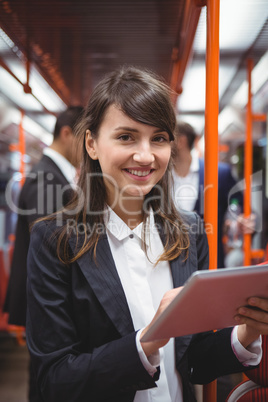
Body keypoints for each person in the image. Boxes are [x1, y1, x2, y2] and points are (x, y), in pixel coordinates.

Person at [26, 66, 268, 402]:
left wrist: (247, 331)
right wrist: (147, 342)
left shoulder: (189, 232)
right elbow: (55, 380)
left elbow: (191, 360)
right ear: (92, 144)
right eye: (126, 137)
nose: (145, 155)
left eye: (159, 138)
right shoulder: (55, 240)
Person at [4, 105, 83, 401]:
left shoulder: (53, 175)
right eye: (85, 136)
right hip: (46, 301)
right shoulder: (46, 179)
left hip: (46, 301)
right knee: (46, 380)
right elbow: (52, 249)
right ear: (66, 133)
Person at [171, 121, 255, 268]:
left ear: (181, 141)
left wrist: (246, 222)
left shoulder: (220, 174)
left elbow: (242, 208)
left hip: (210, 260)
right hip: (169, 262)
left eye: (164, 139)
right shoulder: (159, 176)